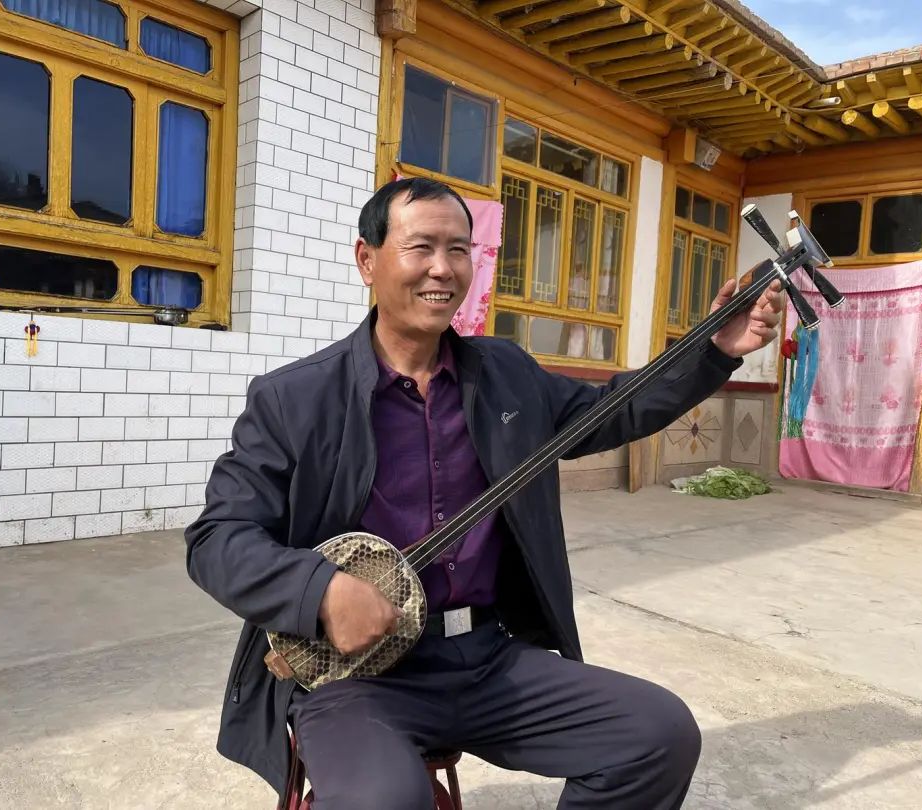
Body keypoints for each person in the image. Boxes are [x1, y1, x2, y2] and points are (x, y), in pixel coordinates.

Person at [185, 177, 783, 809]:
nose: (442, 269)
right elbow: (217, 538)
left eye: (459, 250)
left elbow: (614, 410)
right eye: (421, 247)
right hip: (357, 679)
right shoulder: (295, 398)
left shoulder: (505, 374)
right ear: (368, 259)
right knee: (383, 801)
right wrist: (322, 590)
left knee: (657, 734)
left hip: (487, 656)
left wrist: (714, 351)